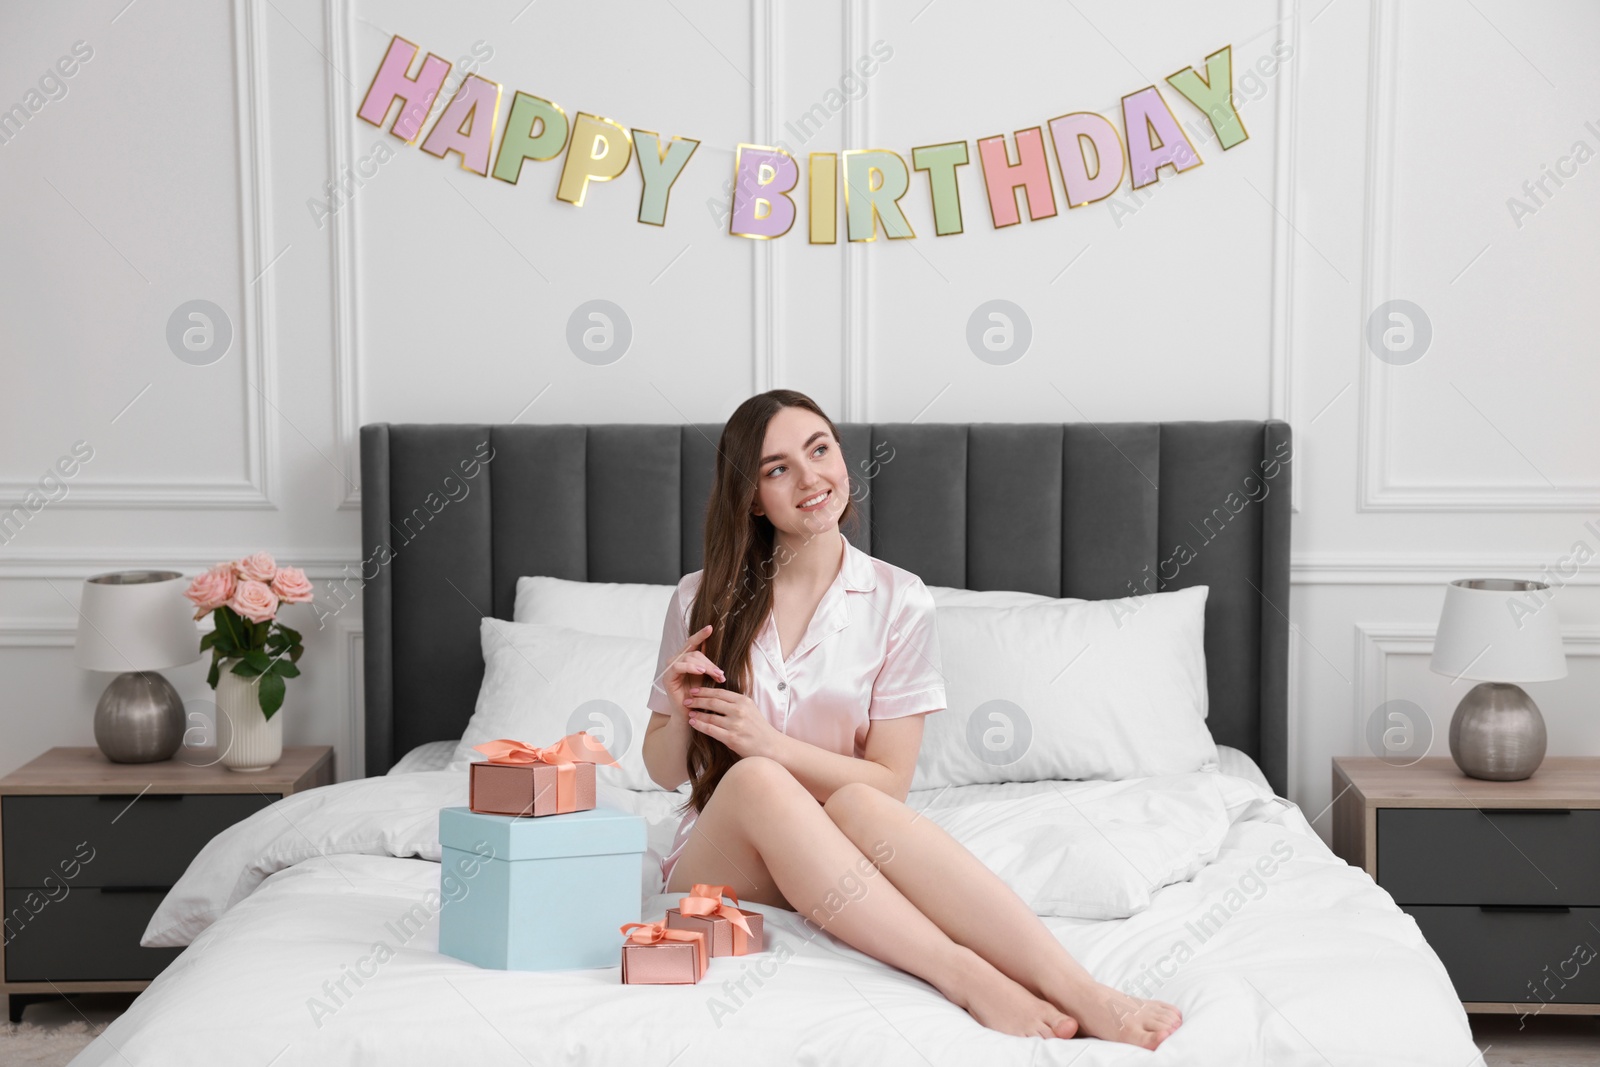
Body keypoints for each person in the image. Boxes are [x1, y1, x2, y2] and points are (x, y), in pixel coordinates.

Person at [640, 389, 1182, 1047]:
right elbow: (662, 769)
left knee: (858, 807)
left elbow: (889, 781)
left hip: (838, 844)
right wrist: (682, 711)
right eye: (777, 467)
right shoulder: (701, 596)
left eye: (820, 449)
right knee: (756, 781)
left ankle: (1082, 987)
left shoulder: (899, 600)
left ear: (841, 457)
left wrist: (772, 743)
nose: (811, 477)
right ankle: (964, 974)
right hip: (726, 856)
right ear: (752, 497)